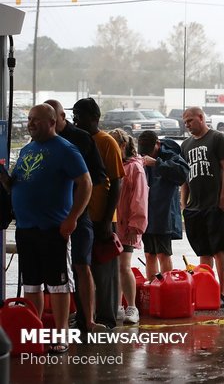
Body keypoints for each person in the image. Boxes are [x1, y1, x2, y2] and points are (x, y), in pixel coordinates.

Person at [1, 104, 92, 354]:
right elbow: (17, 185)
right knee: (31, 284)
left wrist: (73, 217)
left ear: (52, 122)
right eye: (29, 119)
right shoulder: (27, 150)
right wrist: (5, 180)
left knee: (58, 284)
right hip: (26, 228)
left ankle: (61, 335)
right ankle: (36, 333)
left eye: (36, 120)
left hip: (54, 229)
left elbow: (86, 183)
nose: (30, 123)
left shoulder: (65, 149)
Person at [45, 99, 107, 334]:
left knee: (82, 264)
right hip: (50, 214)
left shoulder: (80, 139)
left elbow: (99, 177)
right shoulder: (40, 141)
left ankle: (88, 320)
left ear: (61, 117)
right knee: (54, 267)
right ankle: (60, 317)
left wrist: (82, 202)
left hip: (78, 212)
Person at [72, 97, 125, 328]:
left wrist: (106, 219)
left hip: (101, 218)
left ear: (94, 118)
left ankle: (107, 318)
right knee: (82, 270)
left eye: (80, 115)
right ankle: (85, 317)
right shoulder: (75, 141)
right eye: (74, 114)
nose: (76, 119)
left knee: (104, 274)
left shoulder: (106, 142)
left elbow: (117, 183)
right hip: (80, 217)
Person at [180, 106, 224, 307]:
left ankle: (222, 291)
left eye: (190, 121)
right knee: (203, 250)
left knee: (218, 248)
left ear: (201, 118)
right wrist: (183, 203)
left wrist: (222, 197)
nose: (187, 125)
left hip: (214, 203)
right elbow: (185, 177)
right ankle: (206, 289)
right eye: (185, 122)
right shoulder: (185, 145)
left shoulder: (217, 138)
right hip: (195, 206)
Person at [137, 130, 189, 281]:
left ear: (158, 144)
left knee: (163, 254)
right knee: (149, 254)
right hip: (145, 212)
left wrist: (157, 163)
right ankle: (153, 291)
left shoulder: (170, 154)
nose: (148, 155)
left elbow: (182, 174)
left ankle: (166, 289)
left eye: (150, 152)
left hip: (163, 213)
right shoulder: (141, 156)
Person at [109, 129, 148, 324]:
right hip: (113, 222)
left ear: (123, 145)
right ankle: (117, 306)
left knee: (124, 266)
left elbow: (139, 199)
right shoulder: (115, 165)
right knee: (115, 267)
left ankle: (131, 307)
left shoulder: (135, 168)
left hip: (126, 225)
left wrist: (136, 225)